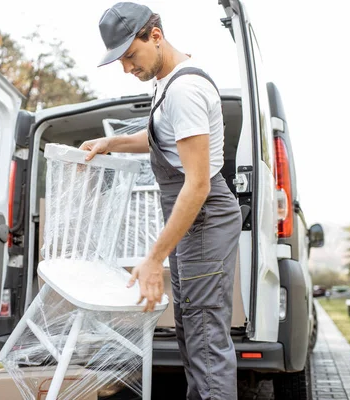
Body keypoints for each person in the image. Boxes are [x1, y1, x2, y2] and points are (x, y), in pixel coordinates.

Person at [81, 3, 242, 399]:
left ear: (155, 36)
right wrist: (113, 142)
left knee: (206, 339)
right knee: (193, 331)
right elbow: (163, 137)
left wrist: (153, 259)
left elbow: (198, 185)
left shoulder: (183, 90)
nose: (126, 68)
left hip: (203, 217)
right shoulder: (167, 82)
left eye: (130, 56)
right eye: (119, 60)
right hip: (194, 223)